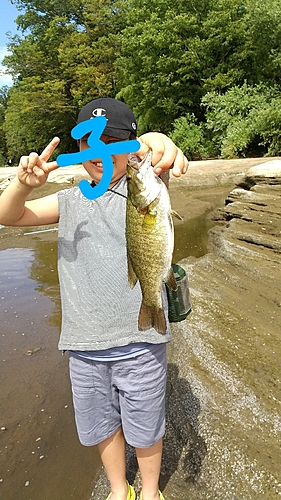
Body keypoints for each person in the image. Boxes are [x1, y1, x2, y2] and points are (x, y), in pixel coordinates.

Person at [0, 97, 188, 500]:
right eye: (90, 144)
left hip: (141, 346)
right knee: (102, 427)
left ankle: (151, 490)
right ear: (79, 148)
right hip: (85, 348)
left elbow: (160, 151)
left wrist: (155, 139)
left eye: (114, 143)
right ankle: (120, 489)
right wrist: (21, 185)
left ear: (130, 147)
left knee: (146, 427)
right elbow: (9, 216)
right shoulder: (68, 201)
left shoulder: (144, 187)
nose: (101, 153)